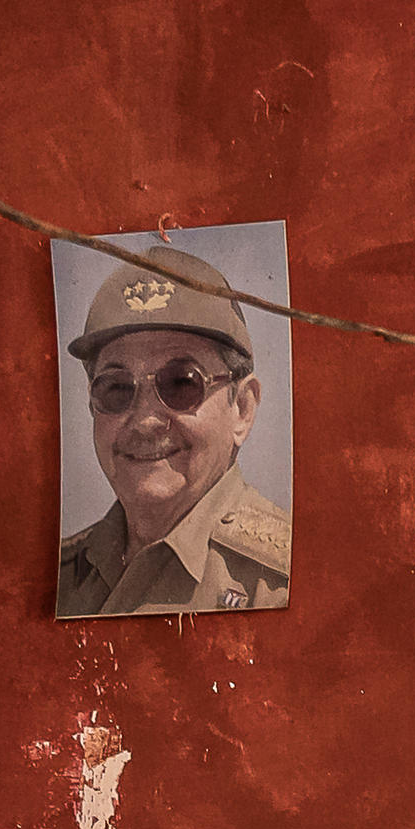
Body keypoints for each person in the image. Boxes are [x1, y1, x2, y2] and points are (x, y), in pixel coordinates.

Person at [54, 253, 291, 618]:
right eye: (117, 388)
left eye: (182, 384)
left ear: (242, 409)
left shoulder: (281, 584)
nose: (145, 421)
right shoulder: (58, 578)